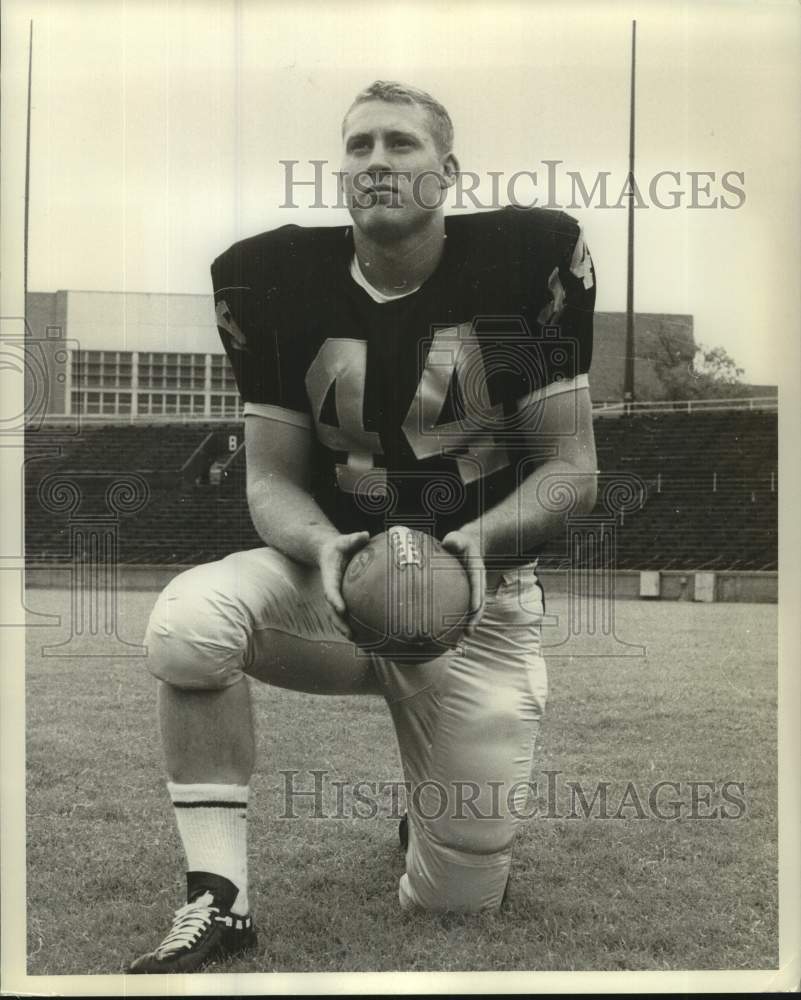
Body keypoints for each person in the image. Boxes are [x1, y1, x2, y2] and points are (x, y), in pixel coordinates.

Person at [129, 80, 598, 974]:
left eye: (400, 144)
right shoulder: (269, 277)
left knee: (453, 908)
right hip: (329, 588)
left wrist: (482, 542)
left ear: (446, 171)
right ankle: (219, 900)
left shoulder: (524, 259)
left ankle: (430, 810)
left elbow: (571, 468)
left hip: (480, 609)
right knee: (189, 627)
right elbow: (268, 480)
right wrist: (321, 547)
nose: (375, 163)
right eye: (358, 147)